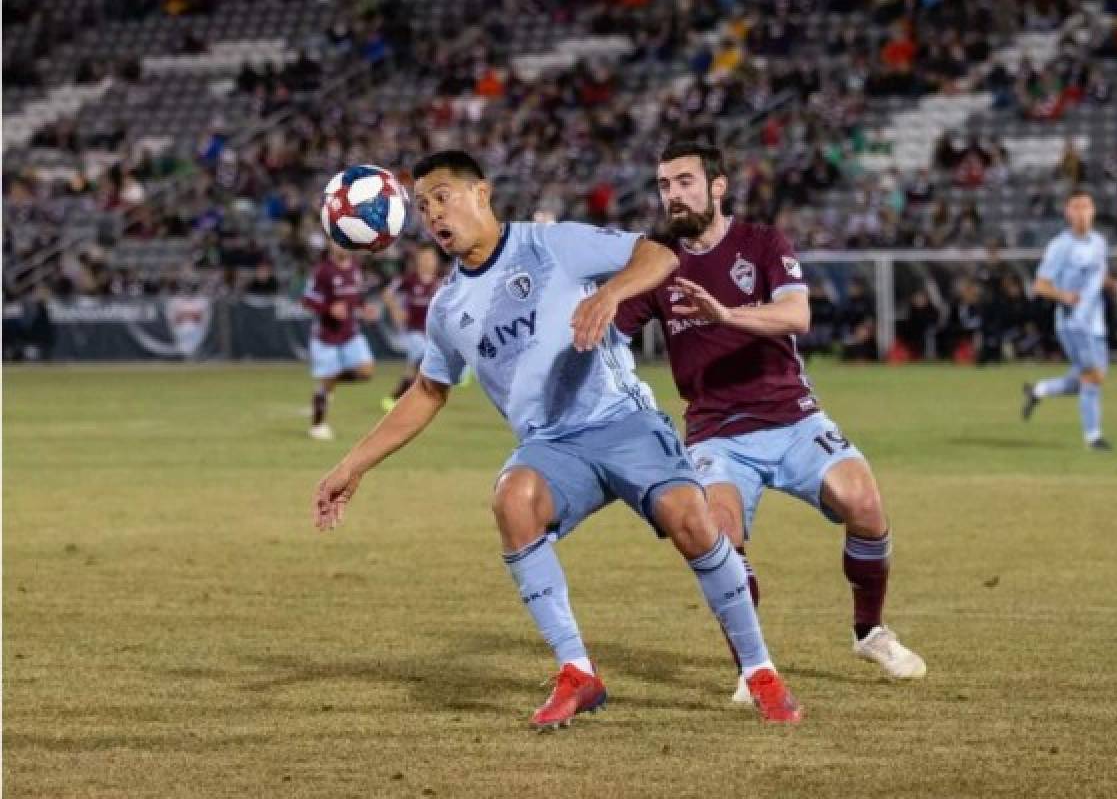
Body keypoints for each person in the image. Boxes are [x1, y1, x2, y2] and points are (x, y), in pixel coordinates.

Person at [312, 150, 803, 728]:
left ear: (482, 194)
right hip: (553, 445)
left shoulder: (551, 245)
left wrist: (611, 292)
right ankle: (577, 672)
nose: (433, 215)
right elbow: (427, 391)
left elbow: (658, 253)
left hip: (623, 420)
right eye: (421, 207)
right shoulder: (448, 308)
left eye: (443, 196)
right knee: (512, 498)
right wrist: (353, 465)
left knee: (692, 521)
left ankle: (760, 671)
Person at [615, 141, 927, 705]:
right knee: (720, 535)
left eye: (684, 181)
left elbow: (797, 314)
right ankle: (751, 667)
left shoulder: (761, 243)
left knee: (864, 502)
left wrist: (725, 314)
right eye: (663, 185)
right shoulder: (658, 262)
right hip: (715, 433)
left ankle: (869, 632)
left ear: (717, 185)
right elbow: (608, 328)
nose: (672, 194)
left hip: (793, 417)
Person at [1022, 188, 1117, 450]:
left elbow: (1098, 275)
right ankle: (1093, 437)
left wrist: (1112, 284)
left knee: (1086, 380)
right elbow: (1040, 286)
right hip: (1074, 324)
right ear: (1067, 213)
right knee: (1092, 377)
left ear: (1094, 211)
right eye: (1076, 207)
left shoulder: (1099, 243)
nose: (1082, 213)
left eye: (1086, 207)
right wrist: (1063, 295)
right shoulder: (1060, 246)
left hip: (1096, 323)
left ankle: (1038, 390)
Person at [301, 245, 379, 441]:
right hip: (326, 336)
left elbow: (356, 297)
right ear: (330, 244)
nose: (341, 246)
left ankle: (329, 382)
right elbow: (306, 300)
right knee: (325, 383)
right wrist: (329, 309)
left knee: (366, 371)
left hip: (350, 332)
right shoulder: (322, 271)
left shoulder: (355, 267)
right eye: (337, 241)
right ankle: (317, 426)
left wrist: (364, 308)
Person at [380, 242, 442, 411]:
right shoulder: (409, 279)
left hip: (431, 333)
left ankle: (396, 398)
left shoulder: (440, 283)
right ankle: (406, 398)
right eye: (425, 258)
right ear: (418, 260)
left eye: (431, 258)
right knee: (423, 358)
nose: (428, 261)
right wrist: (396, 311)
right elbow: (387, 293)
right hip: (412, 331)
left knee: (413, 370)